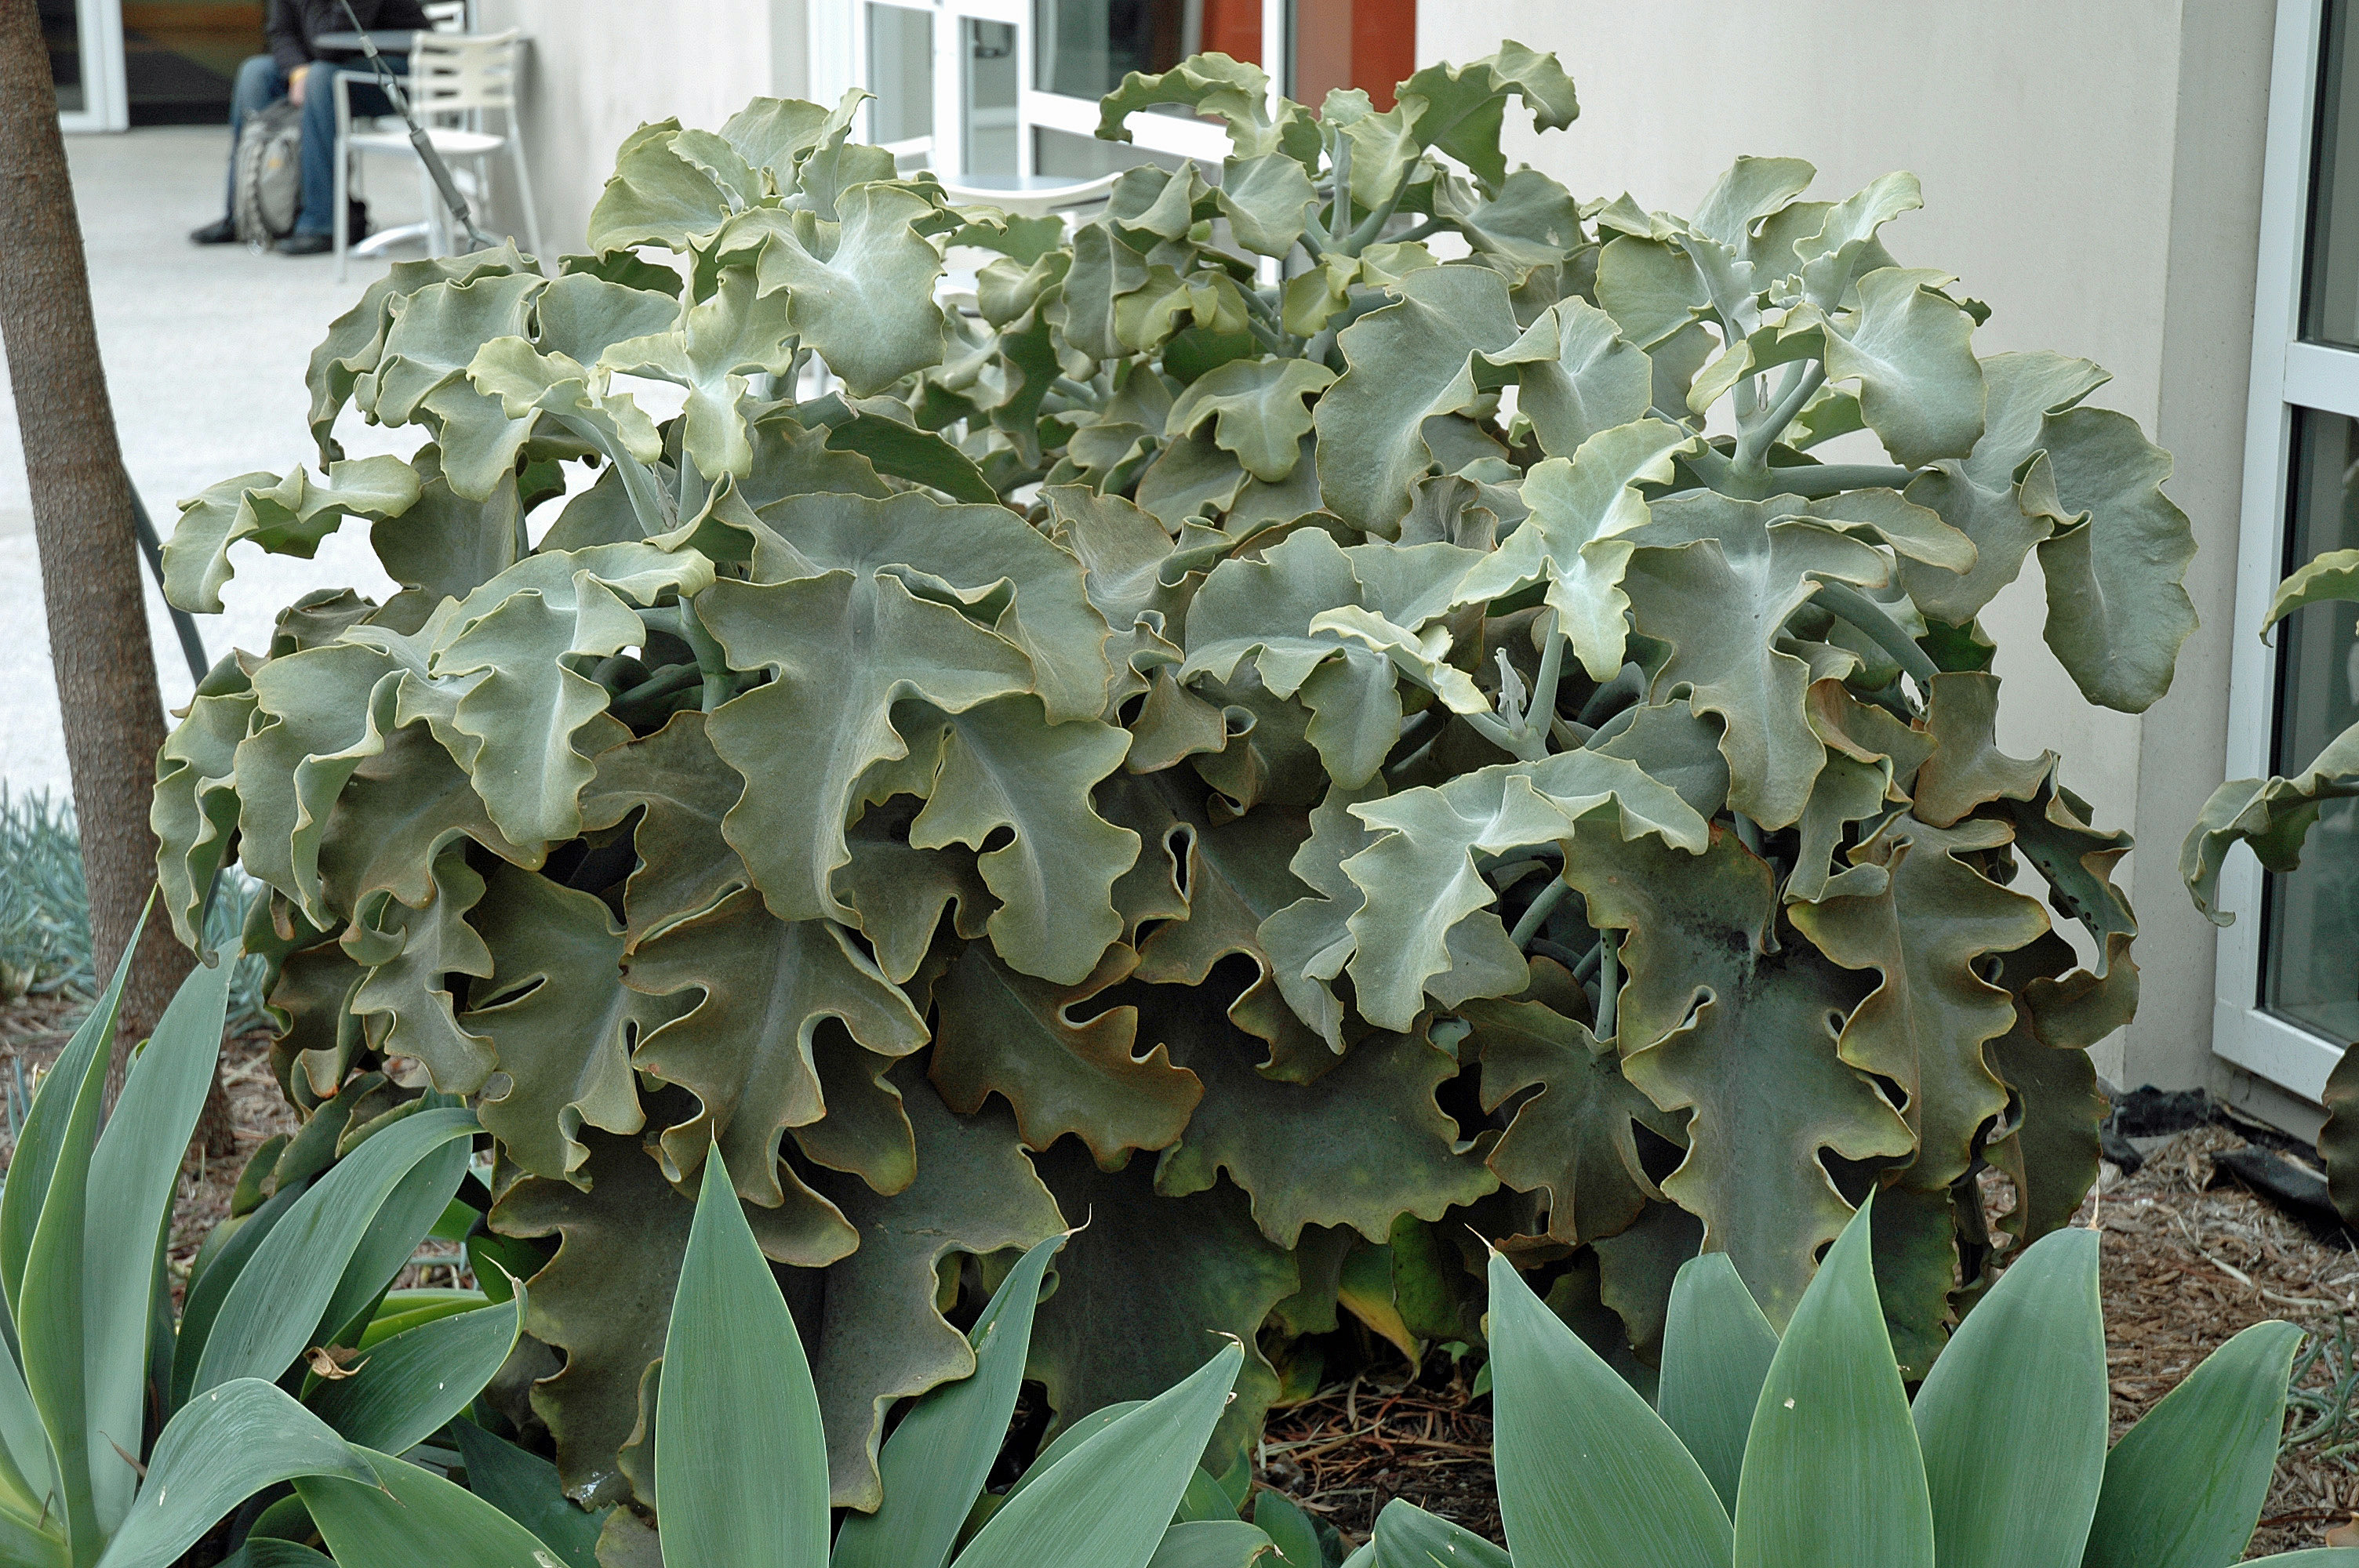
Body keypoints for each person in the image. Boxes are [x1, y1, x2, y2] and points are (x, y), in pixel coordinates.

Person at [189, 0, 434, 255]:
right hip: (329, 66)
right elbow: (280, 32)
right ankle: (244, 215)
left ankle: (321, 223)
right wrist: (296, 72)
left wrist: (306, 74)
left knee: (320, 78)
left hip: (399, 73)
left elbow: (334, 37)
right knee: (255, 74)